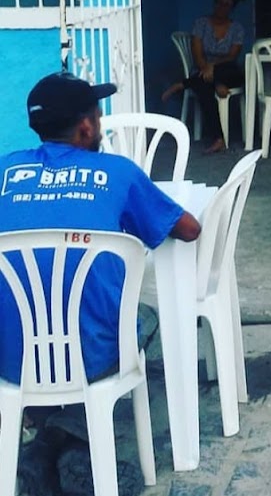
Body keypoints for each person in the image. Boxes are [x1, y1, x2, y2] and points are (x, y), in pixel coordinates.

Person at [0, 71, 201, 486]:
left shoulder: (5, 170)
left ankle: (44, 441)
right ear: (87, 127)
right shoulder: (118, 174)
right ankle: (69, 438)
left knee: (37, 318)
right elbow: (188, 229)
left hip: (12, 358)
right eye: (97, 114)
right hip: (91, 357)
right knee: (142, 316)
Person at [163, 0, 246, 153]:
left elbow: (232, 56)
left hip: (228, 72)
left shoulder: (237, 28)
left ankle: (183, 84)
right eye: (220, 3)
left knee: (226, 71)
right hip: (203, 71)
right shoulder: (201, 24)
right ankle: (219, 138)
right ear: (215, 3)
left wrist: (212, 67)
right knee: (203, 88)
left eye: (227, 5)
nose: (222, 8)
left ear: (232, 8)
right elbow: (197, 53)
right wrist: (207, 70)